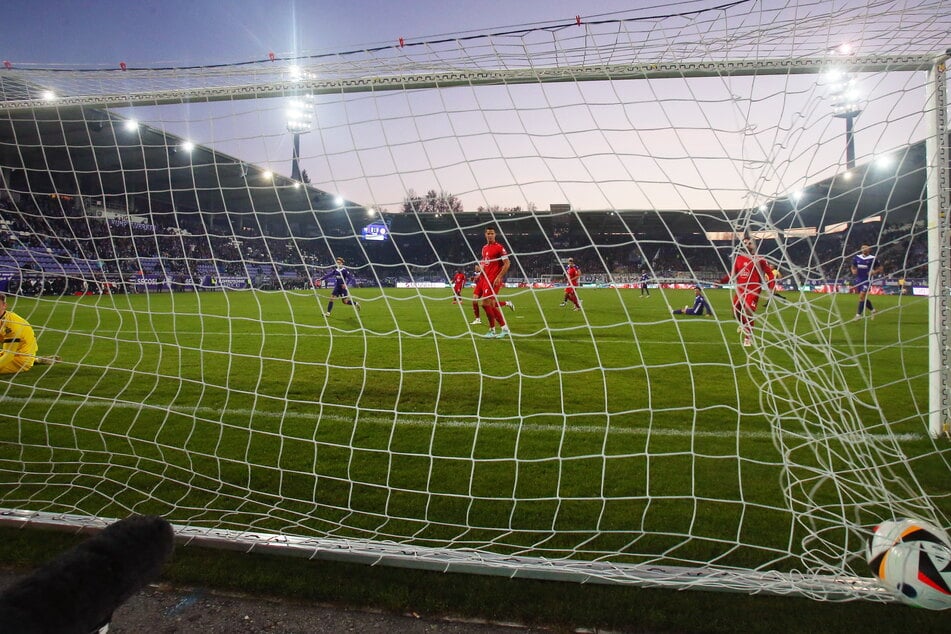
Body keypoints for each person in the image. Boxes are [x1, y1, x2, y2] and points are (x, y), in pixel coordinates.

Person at [719, 234, 775, 347]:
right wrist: (721, 281)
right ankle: (744, 325)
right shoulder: (739, 259)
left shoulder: (760, 259)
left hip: (753, 290)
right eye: (744, 243)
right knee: (735, 314)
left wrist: (771, 287)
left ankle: (748, 337)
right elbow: (733, 274)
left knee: (748, 312)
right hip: (740, 290)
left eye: (749, 243)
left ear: (754, 245)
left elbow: (769, 273)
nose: (746, 245)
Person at [0, 293, 61, 373]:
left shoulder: (11, 325)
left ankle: (31, 360)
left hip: (21, 361)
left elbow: (9, 356)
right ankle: (36, 360)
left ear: (4, 305)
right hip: (9, 352)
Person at [472, 227, 511, 338]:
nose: (490, 235)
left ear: (495, 235)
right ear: (485, 235)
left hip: (493, 280)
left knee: (485, 304)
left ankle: (500, 329)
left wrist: (499, 277)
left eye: (492, 233)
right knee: (489, 305)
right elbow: (485, 264)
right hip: (485, 279)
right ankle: (496, 330)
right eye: (488, 233)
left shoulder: (499, 248)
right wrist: (479, 274)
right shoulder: (484, 248)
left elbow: (507, 263)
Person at [851, 242, 883, 320]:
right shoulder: (857, 257)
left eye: (866, 248)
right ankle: (873, 310)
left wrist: (874, 272)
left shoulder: (873, 258)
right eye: (862, 248)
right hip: (858, 279)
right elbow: (852, 266)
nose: (864, 249)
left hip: (867, 279)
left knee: (862, 296)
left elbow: (880, 268)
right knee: (863, 298)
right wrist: (853, 270)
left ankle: (858, 315)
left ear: (869, 249)